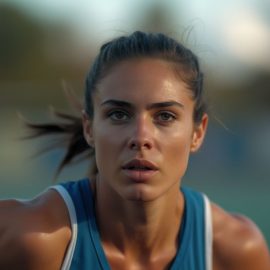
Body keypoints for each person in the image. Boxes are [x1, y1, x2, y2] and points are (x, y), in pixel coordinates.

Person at [0, 31, 269, 270]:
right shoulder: (29, 239)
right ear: (89, 128)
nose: (141, 137)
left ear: (197, 133)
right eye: (118, 114)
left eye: (165, 116)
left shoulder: (235, 251)